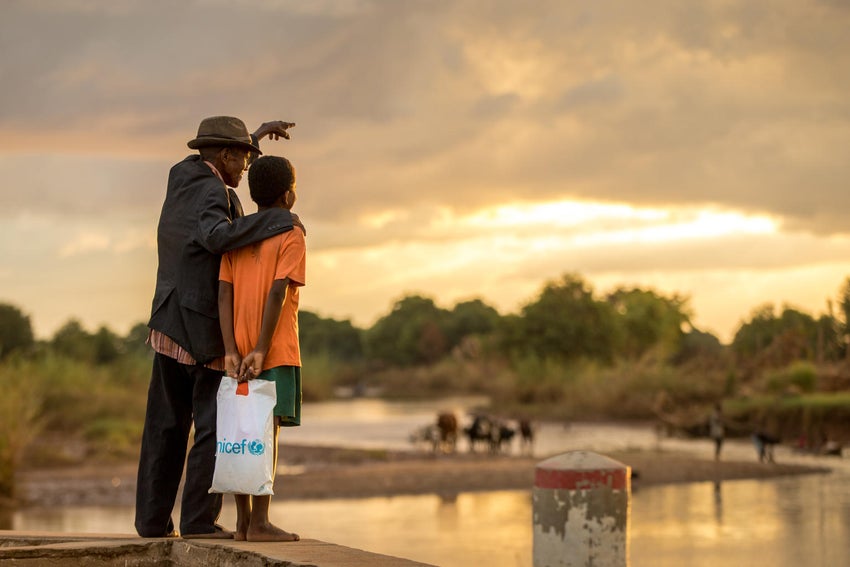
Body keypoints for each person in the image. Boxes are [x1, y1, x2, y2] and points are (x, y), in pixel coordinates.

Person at [135, 116, 296, 539]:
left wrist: (254, 138)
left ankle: (151, 522)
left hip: (167, 320)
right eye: (242, 158)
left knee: (164, 428)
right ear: (223, 156)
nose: (246, 168)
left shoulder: (182, 175)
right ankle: (198, 522)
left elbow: (221, 163)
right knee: (213, 426)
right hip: (198, 329)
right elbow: (216, 236)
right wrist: (280, 219)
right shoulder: (211, 190)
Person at [218, 155, 305, 542]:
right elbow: (278, 291)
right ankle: (261, 522)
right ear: (288, 196)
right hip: (274, 351)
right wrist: (260, 349)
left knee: (241, 432)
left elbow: (223, 294)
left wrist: (232, 351)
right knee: (266, 434)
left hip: (237, 352)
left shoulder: (236, 234)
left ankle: (241, 522)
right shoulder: (292, 234)